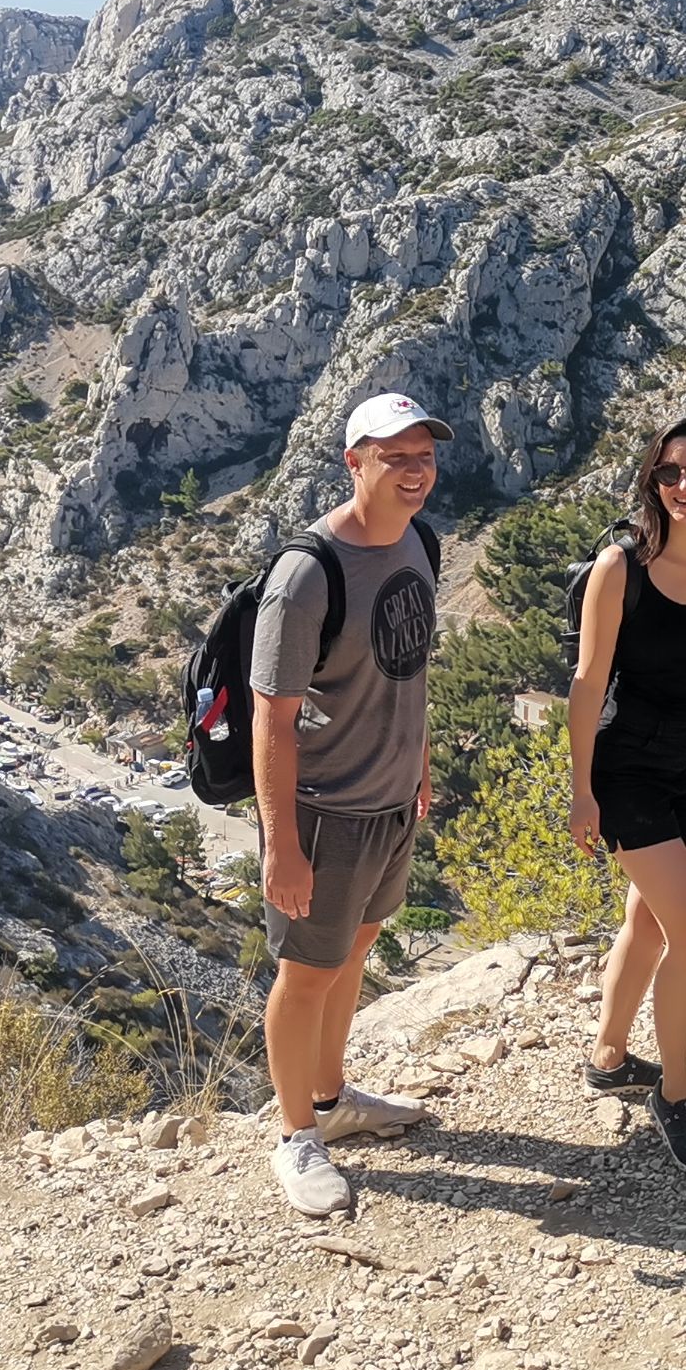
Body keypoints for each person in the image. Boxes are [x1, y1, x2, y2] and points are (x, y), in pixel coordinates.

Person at [253, 392, 449, 1217]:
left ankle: (333, 1105)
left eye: (424, 456)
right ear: (353, 462)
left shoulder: (422, 544)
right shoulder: (307, 577)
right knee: (305, 975)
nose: (414, 472)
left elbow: (409, 673)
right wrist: (280, 845)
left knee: (353, 954)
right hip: (324, 811)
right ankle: (296, 1137)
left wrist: (420, 763)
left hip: (392, 800)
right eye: (394, 456)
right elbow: (273, 713)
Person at [566, 417, 686, 1176]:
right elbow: (585, 684)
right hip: (628, 767)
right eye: (669, 473)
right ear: (653, 481)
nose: (684, 486)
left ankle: (610, 1056)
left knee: (648, 920)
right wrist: (581, 791)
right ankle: (676, 1091)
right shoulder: (622, 568)